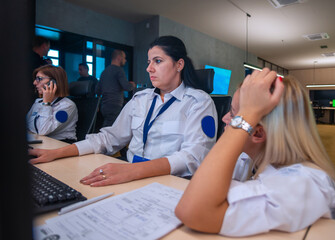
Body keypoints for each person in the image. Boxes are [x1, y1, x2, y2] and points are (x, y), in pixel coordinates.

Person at [175, 69, 335, 237]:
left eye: (233, 115)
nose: (224, 118)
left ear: (258, 132)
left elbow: (192, 209)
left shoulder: (303, 183)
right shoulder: (247, 158)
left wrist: (246, 117)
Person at [29, 35, 218, 185]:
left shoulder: (199, 102)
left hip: (169, 181)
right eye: (149, 61)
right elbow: (109, 138)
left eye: (158, 61)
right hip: (131, 175)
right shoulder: (140, 99)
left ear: (179, 64)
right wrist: (57, 153)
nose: (149, 68)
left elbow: (193, 157)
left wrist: (132, 171)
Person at [27, 65, 78, 143]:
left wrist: (46, 104)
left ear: (54, 82)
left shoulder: (67, 106)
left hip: (61, 144)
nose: (34, 83)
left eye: (39, 79)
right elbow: (27, 125)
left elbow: (43, 130)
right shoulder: (38, 101)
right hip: (43, 142)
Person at [95, 49, 136, 127]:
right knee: (111, 130)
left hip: (104, 106)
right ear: (119, 58)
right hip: (114, 105)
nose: (125, 60)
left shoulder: (104, 72)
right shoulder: (119, 70)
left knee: (108, 127)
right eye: (124, 58)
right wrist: (132, 85)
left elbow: (97, 90)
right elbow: (127, 87)